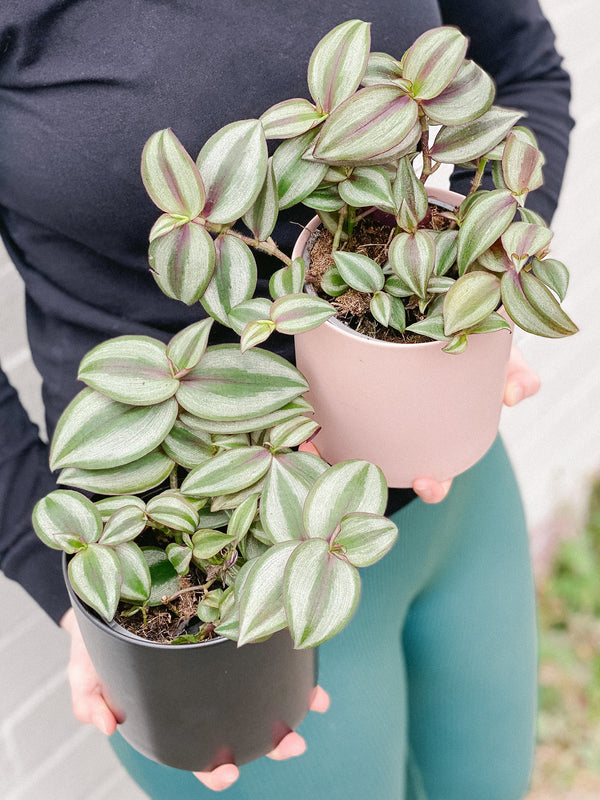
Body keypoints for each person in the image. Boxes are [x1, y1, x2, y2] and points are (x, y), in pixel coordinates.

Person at [0, 1, 571, 797]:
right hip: (216, 593)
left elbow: (524, 67)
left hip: (454, 500)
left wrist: (483, 283)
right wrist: (65, 582)